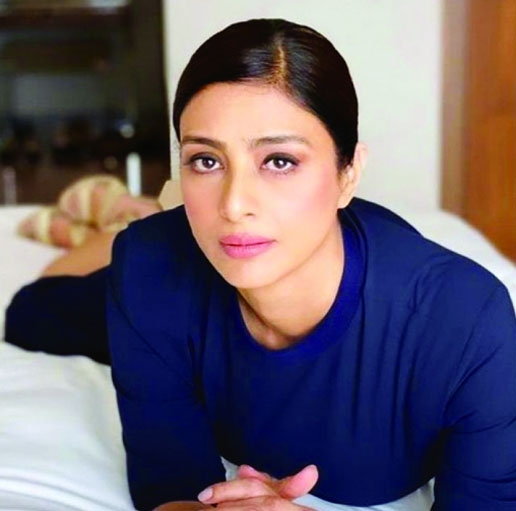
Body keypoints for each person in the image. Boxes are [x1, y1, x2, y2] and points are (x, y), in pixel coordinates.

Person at [5, 18, 516, 511]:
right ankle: (125, 217)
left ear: (348, 173)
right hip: (173, 259)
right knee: (29, 314)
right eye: (206, 160)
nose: (233, 205)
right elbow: (170, 486)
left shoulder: (468, 325)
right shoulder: (149, 268)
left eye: (279, 161)